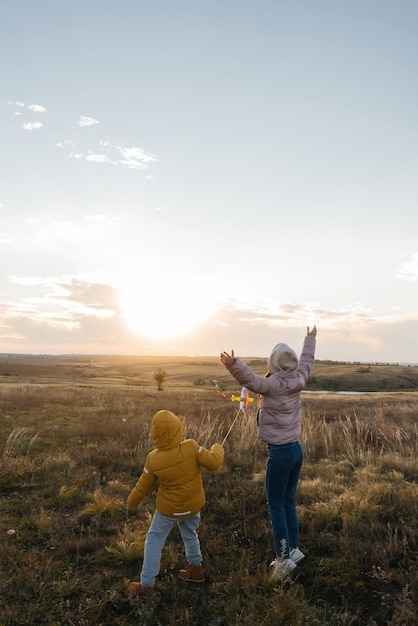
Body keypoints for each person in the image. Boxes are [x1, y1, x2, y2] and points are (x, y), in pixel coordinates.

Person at [220, 325, 317, 581]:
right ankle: (293, 549)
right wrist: (310, 339)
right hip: (296, 450)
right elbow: (307, 361)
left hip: (281, 454)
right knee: (287, 501)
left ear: (272, 363)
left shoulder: (272, 384)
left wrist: (234, 364)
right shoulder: (300, 379)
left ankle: (283, 560)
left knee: (275, 504)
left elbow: (250, 380)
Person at [127, 409, 225, 597]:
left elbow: (142, 486)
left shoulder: (153, 458)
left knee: (154, 540)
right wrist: (217, 448)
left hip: (168, 510)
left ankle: (146, 585)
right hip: (192, 505)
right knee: (190, 534)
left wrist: (132, 501)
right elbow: (214, 463)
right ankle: (196, 569)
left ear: (154, 434)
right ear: (179, 429)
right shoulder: (190, 446)